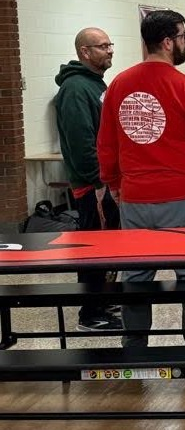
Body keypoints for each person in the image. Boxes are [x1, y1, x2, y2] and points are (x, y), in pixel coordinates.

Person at [97, 10, 185, 348]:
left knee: (137, 274)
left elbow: (106, 143)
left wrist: (113, 184)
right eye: (184, 37)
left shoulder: (119, 85)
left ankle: (134, 344)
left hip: (135, 198)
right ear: (168, 42)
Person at [54, 28, 122, 332]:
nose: (110, 50)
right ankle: (90, 313)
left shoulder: (95, 83)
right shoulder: (75, 89)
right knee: (95, 248)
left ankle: (104, 300)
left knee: (109, 247)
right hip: (93, 186)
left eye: (110, 44)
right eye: (102, 46)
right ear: (85, 51)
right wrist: (99, 181)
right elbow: (82, 143)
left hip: (105, 184)